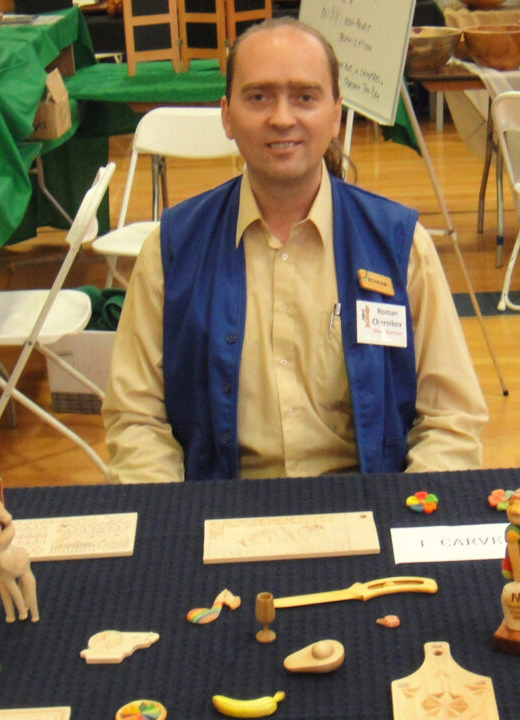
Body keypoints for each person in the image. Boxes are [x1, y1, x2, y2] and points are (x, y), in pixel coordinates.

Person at [102, 18, 487, 483]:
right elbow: (136, 418)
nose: (282, 118)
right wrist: (174, 522)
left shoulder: (400, 246)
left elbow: (452, 419)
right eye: (258, 96)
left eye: (304, 96)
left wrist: (406, 514)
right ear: (227, 115)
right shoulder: (171, 250)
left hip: (371, 508)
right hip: (220, 516)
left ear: (336, 113)